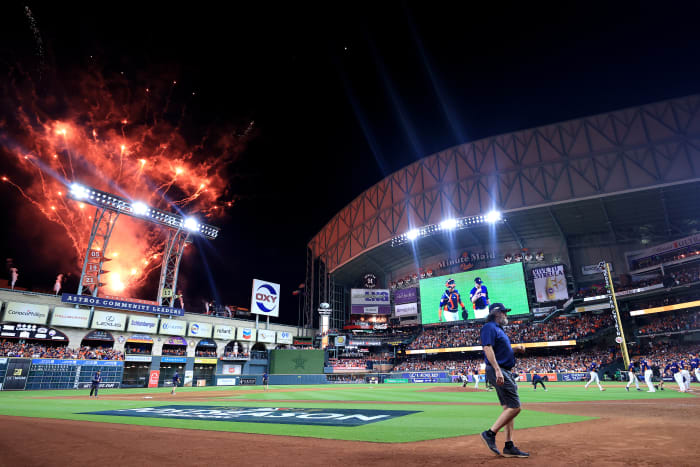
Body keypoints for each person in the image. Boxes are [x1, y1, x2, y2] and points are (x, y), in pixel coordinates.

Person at [479, 303, 529, 458]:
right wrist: (497, 370)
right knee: (516, 407)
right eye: (504, 312)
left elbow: (501, 350)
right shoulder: (489, 327)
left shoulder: (499, 330)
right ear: (496, 313)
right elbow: (487, 348)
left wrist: (515, 349)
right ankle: (490, 434)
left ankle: (509, 445)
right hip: (499, 369)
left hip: (504, 369)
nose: (506, 315)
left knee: (509, 408)